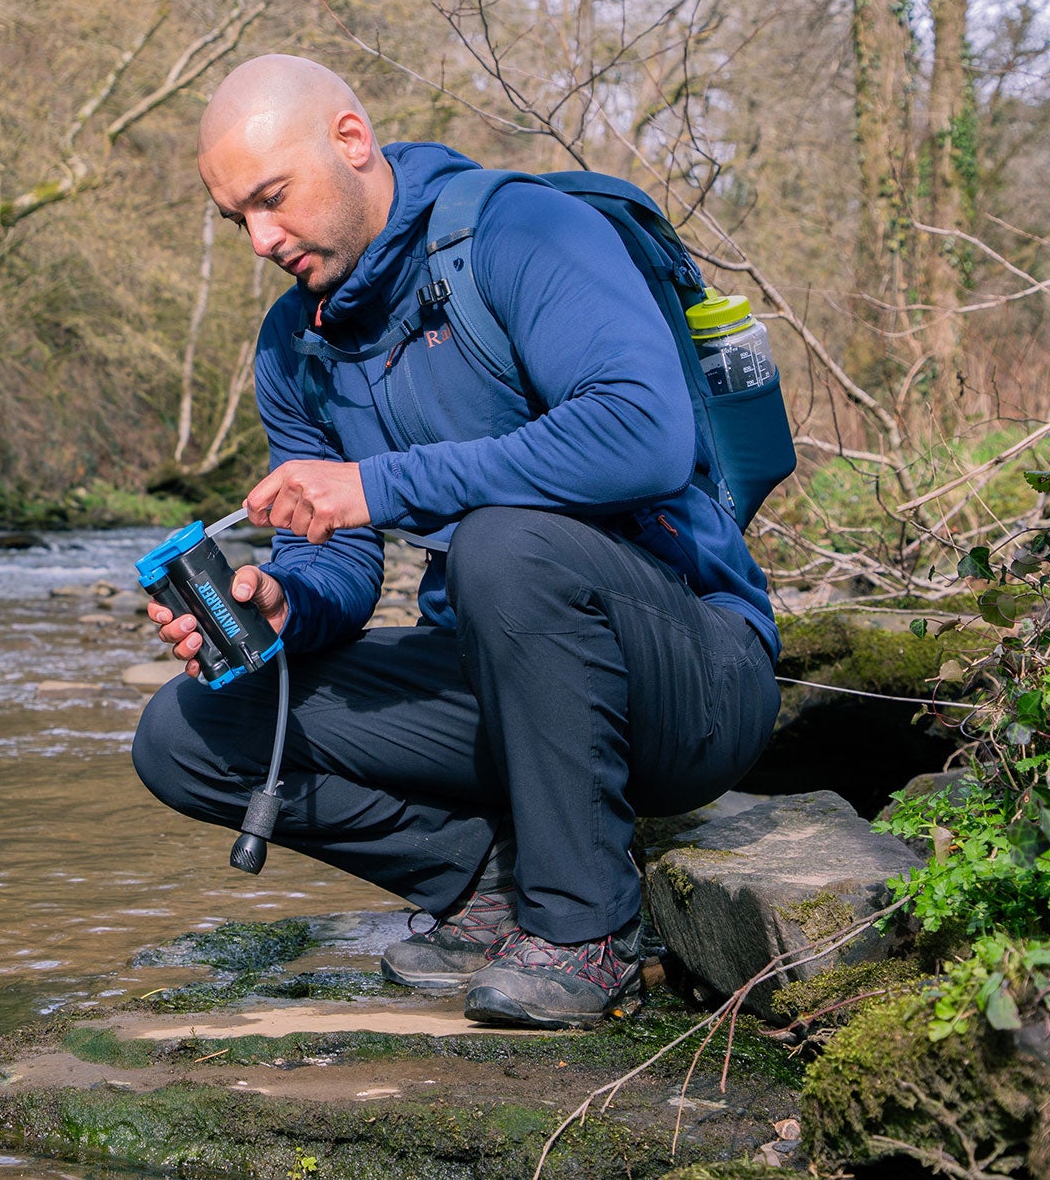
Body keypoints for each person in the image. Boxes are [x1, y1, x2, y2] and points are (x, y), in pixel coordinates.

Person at [131, 55, 781, 1029]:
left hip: (690, 678)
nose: (261, 240)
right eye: (238, 221)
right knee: (185, 733)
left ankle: (584, 929)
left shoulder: (523, 231)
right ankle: (475, 876)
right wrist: (282, 605)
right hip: (503, 683)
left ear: (351, 141)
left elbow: (642, 434)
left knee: (499, 545)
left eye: (271, 200)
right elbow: (340, 565)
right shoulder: (292, 347)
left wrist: (374, 485)